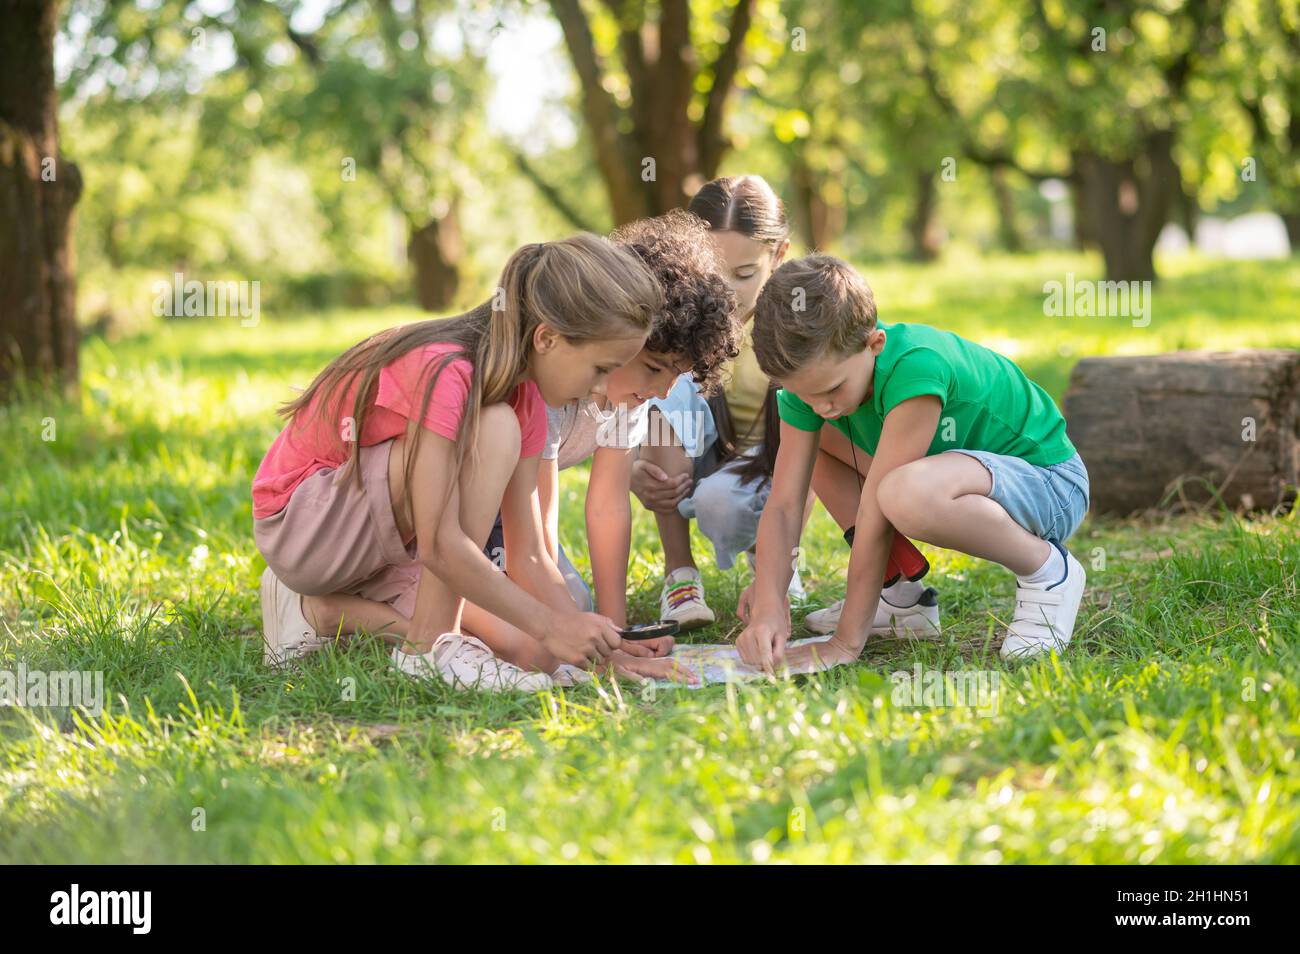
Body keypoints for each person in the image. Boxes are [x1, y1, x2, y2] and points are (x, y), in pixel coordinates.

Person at [251, 235, 679, 690]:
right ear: (547, 338)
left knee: (535, 654)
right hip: (308, 529)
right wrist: (551, 624)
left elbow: (530, 554)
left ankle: (323, 611)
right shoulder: (446, 369)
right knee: (495, 428)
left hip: (392, 545)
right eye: (600, 369)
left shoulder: (526, 397)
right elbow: (438, 543)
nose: (601, 388)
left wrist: (595, 649)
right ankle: (431, 647)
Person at [738, 255, 1089, 671]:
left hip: (1051, 487)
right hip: (966, 482)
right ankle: (902, 598)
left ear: (874, 344)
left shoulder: (915, 368)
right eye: (804, 395)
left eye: (831, 389)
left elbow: (876, 510)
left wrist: (846, 642)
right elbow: (783, 504)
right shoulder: (817, 388)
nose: (822, 406)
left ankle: (1047, 570)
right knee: (820, 447)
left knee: (901, 494)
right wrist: (768, 604)